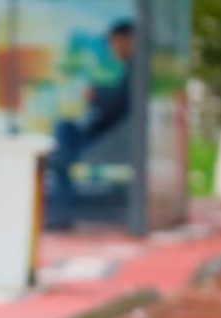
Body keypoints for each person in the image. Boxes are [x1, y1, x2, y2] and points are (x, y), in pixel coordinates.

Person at [44, 19, 135, 230]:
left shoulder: (138, 70)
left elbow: (120, 103)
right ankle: (60, 212)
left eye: (115, 43)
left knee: (62, 154)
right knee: (64, 133)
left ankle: (60, 214)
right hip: (107, 134)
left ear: (128, 40)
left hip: (112, 140)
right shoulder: (131, 69)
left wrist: (97, 96)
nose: (113, 49)